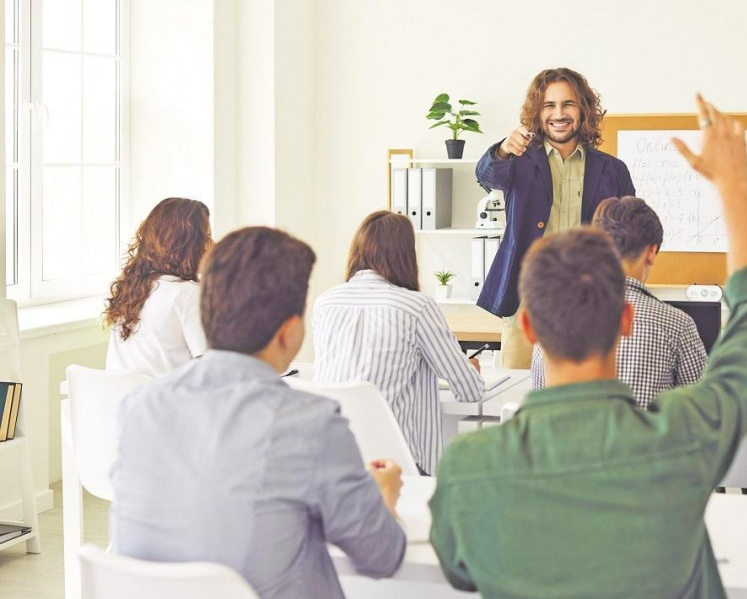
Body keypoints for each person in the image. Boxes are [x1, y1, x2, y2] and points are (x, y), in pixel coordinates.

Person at [431, 95, 747, 598]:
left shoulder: (469, 469)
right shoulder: (682, 438)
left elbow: (459, 568)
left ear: (529, 327)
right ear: (625, 318)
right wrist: (734, 185)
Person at [110, 227, 406, 599]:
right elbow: (381, 557)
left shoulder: (138, 408)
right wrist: (382, 498)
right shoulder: (311, 422)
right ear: (289, 333)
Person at [475, 68, 635, 368]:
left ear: (583, 109)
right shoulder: (517, 161)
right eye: (549, 105)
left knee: (583, 395)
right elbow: (486, 174)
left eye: (568, 104)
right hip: (526, 300)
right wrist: (503, 149)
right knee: (518, 394)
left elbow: (630, 233)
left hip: (590, 302)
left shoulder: (613, 170)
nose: (559, 114)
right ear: (538, 112)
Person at [313, 211, 483, 475]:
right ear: (406, 255)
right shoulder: (416, 306)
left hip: (332, 460)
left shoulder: (325, 302)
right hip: (399, 466)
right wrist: (468, 369)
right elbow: (470, 391)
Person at [530, 196, 708, 408]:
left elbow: (541, 407)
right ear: (651, 252)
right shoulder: (676, 325)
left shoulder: (553, 317)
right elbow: (703, 413)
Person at [103, 197, 212, 376]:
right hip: (168, 402)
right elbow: (212, 372)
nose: (212, 245)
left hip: (121, 401)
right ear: (187, 245)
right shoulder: (188, 295)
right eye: (207, 237)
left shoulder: (130, 289)